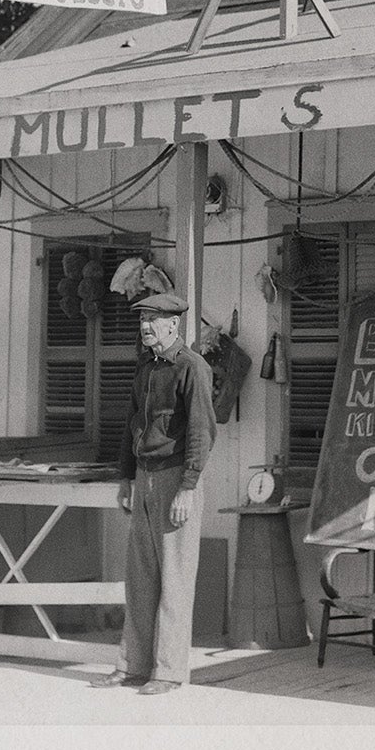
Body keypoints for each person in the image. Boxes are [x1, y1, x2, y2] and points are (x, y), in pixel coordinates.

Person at [106, 288, 216, 697]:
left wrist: (188, 487)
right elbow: (130, 425)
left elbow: (203, 432)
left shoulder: (192, 367)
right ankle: (133, 664)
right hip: (144, 477)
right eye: (142, 320)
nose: (146, 327)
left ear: (174, 324)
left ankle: (168, 672)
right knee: (140, 576)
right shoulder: (146, 368)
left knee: (174, 577)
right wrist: (126, 478)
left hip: (176, 478)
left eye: (153, 320)